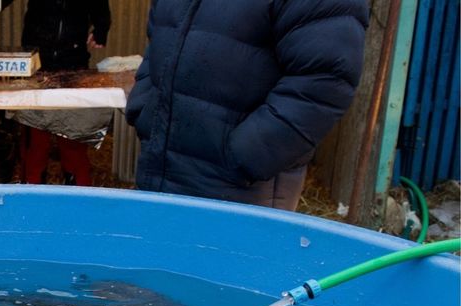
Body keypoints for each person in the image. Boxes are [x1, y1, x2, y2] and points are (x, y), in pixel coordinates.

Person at [125, 0, 368, 210]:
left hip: (240, 188)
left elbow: (323, 80)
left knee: (227, 262)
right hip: (159, 168)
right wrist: (146, 106)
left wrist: (244, 157)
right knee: (162, 258)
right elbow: (159, 35)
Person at [0, 0, 112, 186]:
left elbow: (101, 6)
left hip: (73, 66)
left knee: (73, 145)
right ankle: (30, 200)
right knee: (35, 144)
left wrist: (102, 27)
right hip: (35, 65)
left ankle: (78, 204)